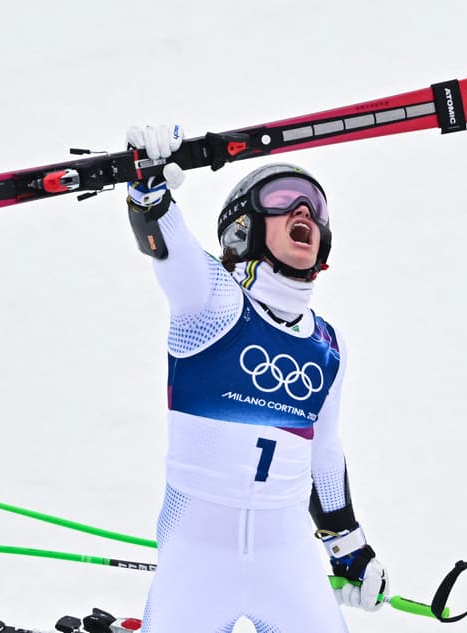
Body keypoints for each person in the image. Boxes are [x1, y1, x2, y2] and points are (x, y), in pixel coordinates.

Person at [124, 124, 388, 633]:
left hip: (287, 560)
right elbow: (165, 245)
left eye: (315, 206)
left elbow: (324, 453)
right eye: (285, 199)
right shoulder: (212, 304)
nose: (306, 211)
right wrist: (147, 188)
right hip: (197, 560)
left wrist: (347, 544)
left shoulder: (328, 346)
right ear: (242, 227)